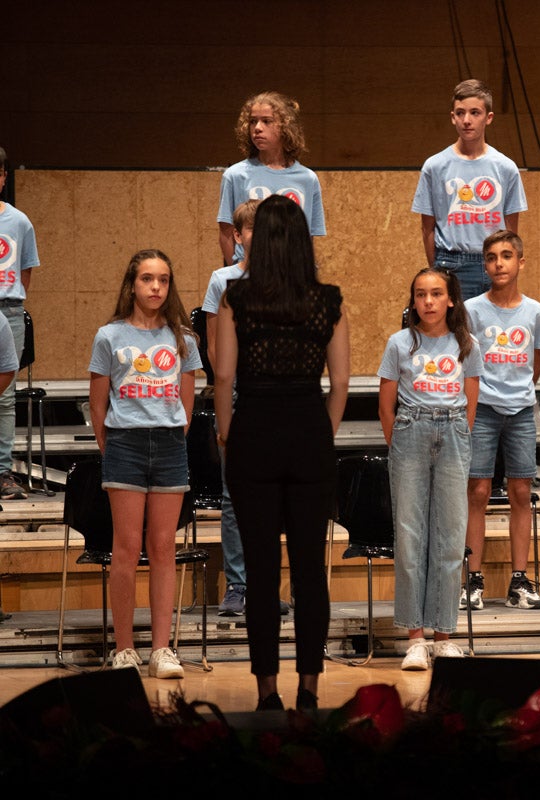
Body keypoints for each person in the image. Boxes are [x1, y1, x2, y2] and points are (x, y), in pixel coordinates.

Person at [215, 195, 349, 711]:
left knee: (262, 569)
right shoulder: (328, 299)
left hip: (254, 430)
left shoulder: (235, 296)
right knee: (311, 568)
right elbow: (339, 382)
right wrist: (323, 430)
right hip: (309, 431)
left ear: (258, 239)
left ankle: (267, 691)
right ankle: (310, 688)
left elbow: (224, 375)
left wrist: (229, 435)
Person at [88, 249, 202, 679]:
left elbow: (187, 407)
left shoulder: (183, 340)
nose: (156, 287)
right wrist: (113, 445)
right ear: (132, 285)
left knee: (163, 548)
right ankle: (123, 649)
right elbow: (98, 405)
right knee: (126, 546)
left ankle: (161, 649)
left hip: (170, 445)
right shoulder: (109, 336)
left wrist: (169, 435)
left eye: (163, 279)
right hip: (125, 445)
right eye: (147, 279)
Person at [378, 267, 482, 671]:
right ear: (413, 301)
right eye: (421, 294)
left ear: (451, 299)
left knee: (451, 536)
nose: (428, 302)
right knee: (409, 535)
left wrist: (457, 435)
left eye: (436, 294)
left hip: (453, 432)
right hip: (410, 432)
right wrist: (402, 440)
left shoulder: (466, 345)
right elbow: (386, 405)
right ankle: (416, 638)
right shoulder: (399, 343)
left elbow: (470, 405)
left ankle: (444, 635)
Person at [462, 230, 540, 611]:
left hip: (520, 412)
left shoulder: (535, 311)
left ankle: (519, 581)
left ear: (521, 262)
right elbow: (465, 362)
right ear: (485, 265)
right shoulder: (472, 309)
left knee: (519, 494)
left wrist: (518, 393)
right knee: (477, 492)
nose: (499, 263)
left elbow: (537, 362)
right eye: (492, 257)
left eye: (507, 255)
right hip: (482, 409)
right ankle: (473, 580)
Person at [202, 198, 270, 616]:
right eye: (251, 230)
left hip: (276, 395)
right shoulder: (222, 280)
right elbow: (212, 347)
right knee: (234, 495)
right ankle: (238, 585)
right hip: (239, 393)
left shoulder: (288, 280)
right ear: (238, 236)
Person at [412, 79, 527, 300]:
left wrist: (506, 270)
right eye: (460, 113)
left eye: (475, 112)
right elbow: (428, 228)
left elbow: (511, 231)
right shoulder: (435, 166)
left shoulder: (505, 167)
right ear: (452, 117)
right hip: (450, 263)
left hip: (493, 264)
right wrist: (437, 269)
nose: (467, 120)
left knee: (489, 332)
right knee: (454, 333)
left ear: (488, 117)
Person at [217, 91, 325, 266]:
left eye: (266, 121)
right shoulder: (235, 175)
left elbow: (307, 236)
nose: (257, 128)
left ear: (285, 126)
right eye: (253, 121)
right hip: (250, 274)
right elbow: (226, 233)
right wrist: (237, 275)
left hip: (291, 275)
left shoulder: (307, 179)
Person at [0, 146, 39, 500]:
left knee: (5, 396)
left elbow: (24, 273)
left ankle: (2, 472)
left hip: (8, 308)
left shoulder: (19, 221)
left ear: (2, 178)